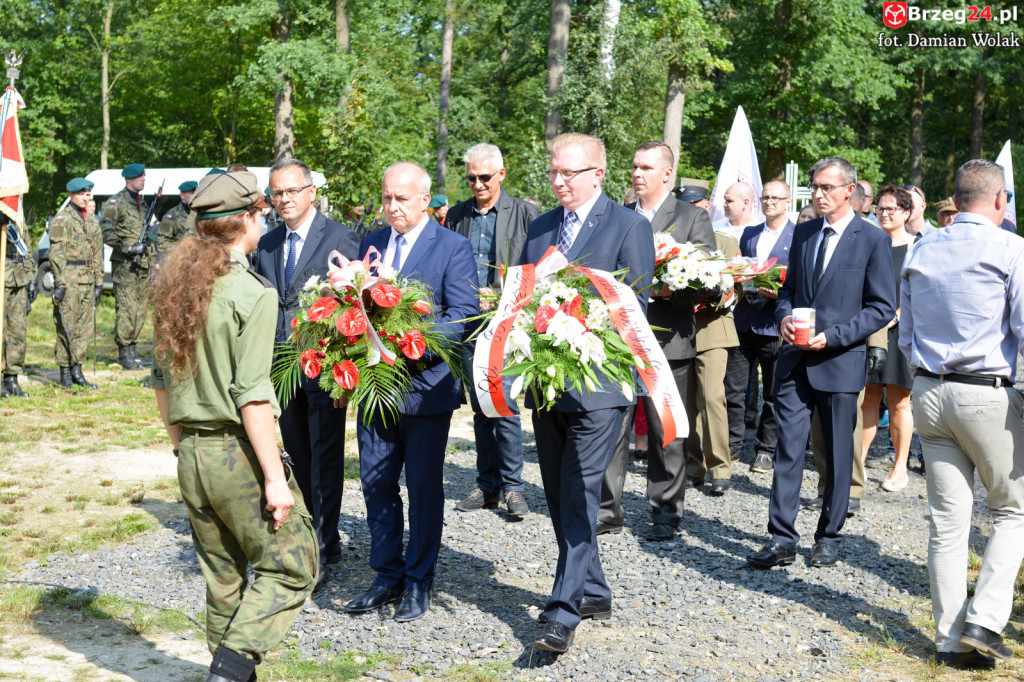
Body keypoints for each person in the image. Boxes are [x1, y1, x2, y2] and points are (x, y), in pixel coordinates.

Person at [151, 170, 317, 682]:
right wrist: (273, 477)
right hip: (235, 452)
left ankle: (225, 670)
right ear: (246, 219)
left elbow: (159, 382)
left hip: (192, 456)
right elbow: (253, 396)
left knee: (222, 578)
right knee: (295, 564)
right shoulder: (252, 293)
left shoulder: (176, 283)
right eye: (260, 211)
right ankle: (231, 667)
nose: (264, 218)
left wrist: (183, 449)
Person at [524, 133, 654, 653]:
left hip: (601, 388)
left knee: (580, 490)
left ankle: (562, 612)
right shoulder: (538, 229)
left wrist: (579, 321)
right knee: (558, 494)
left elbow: (635, 307)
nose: (558, 182)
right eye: (553, 172)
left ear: (597, 174)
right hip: (548, 385)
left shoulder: (629, 226)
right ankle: (594, 589)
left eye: (568, 173)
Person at [900, 159, 1024, 671]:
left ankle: (950, 641)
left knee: (947, 523)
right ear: (1000, 201)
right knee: (1013, 511)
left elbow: (905, 330)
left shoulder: (923, 245)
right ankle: (986, 620)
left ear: (956, 197)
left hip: (928, 391)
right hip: (986, 394)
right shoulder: (1010, 248)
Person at [344, 163, 478, 623]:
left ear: (426, 200)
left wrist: (410, 342)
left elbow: (463, 313)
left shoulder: (453, 246)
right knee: (376, 482)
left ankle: (420, 580)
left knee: (422, 487)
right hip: (375, 386)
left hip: (425, 387)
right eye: (386, 198)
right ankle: (387, 574)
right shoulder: (371, 243)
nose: (392, 207)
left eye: (401, 198)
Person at [747, 156, 895, 570]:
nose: (818, 194)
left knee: (836, 452)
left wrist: (833, 336)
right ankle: (781, 538)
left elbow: (881, 307)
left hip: (840, 360)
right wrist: (784, 318)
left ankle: (828, 536)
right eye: (815, 187)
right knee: (788, 450)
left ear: (850, 191)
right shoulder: (806, 232)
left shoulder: (872, 240)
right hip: (795, 358)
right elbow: (790, 288)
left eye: (827, 187)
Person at [252, 158, 360, 591]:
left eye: (293, 191)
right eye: (277, 193)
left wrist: (342, 374)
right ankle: (317, 534)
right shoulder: (268, 241)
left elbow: (352, 306)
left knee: (327, 457)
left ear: (312, 191)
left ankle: (322, 541)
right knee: (297, 456)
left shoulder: (339, 237)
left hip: (324, 367)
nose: (285, 199)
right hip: (282, 369)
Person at [600, 140, 712, 540]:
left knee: (667, 430)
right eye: (634, 166)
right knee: (613, 428)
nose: (636, 173)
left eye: (646, 167)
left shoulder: (690, 218)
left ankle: (666, 512)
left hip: (668, 339)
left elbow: (707, 278)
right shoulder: (617, 216)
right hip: (617, 338)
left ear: (667, 173)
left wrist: (667, 289)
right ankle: (606, 509)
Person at [447, 143, 539, 519]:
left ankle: (513, 488)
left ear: (502, 174)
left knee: (504, 405)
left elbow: (538, 269)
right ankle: (486, 485)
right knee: (481, 408)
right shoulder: (456, 215)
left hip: (508, 322)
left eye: (484, 177)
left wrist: (502, 297)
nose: (477, 184)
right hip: (469, 324)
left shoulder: (527, 213)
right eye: (470, 177)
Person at [727, 180, 795, 474]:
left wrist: (780, 293)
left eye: (776, 198)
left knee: (773, 393)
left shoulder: (798, 235)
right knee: (734, 390)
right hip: (745, 319)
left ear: (788, 201)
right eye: (765, 197)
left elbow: (800, 282)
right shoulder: (750, 233)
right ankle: (730, 446)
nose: (770, 202)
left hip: (775, 322)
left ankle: (765, 450)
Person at [859, 186, 915, 492]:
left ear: (906, 213)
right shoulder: (870, 243)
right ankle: (859, 462)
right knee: (868, 397)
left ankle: (900, 467)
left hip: (901, 333)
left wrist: (894, 316)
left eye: (892, 208)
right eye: (880, 208)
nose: (884, 213)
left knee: (899, 401)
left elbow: (920, 294)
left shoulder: (916, 249)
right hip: (871, 331)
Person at [684, 230, 740, 495]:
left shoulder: (724, 241)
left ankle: (720, 468)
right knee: (686, 401)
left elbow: (736, 287)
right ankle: (694, 465)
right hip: (678, 330)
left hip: (713, 326)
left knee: (711, 397)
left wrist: (718, 291)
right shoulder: (670, 237)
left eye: (695, 205)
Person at [50, 177, 104, 390]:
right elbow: (56, 252)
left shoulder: (92, 221)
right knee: (67, 326)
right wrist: (60, 283)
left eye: (88, 194)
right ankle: (64, 371)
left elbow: (97, 252)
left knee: (85, 327)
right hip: (70, 278)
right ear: (72, 195)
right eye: (82, 194)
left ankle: (77, 369)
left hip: (88, 279)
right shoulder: (62, 219)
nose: (86, 198)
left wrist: (99, 281)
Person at [100, 163, 153, 370]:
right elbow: (106, 232)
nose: (143, 179)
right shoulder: (115, 202)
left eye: (144, 176)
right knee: (126, 308)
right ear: (128, 179)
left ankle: (133, 350)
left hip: (143, 264)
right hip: (125, 264)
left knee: (140, 309)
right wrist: (128, 248)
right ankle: (124, 353)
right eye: (140, 177)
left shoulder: (142, 203)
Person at [1, 213, 36, 398]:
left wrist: (31, 278)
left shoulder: (17, 219)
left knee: (17, 331)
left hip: (19, 280)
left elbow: (27, 249)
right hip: (1, 278)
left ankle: (11, 378)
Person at [157, 180, 197, 254]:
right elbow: (162, 240)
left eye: (196, 193)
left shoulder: (200, 213)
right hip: (181, 259)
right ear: (182, 195)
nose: (195, 196)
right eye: (192, 193)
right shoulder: (170, 216)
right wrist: (180, 251)